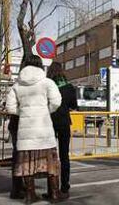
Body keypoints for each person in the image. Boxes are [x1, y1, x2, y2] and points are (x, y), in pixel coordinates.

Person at [5, 55, 62, 204]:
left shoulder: (17, 85)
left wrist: (24, 112)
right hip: (44, 130)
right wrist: (45, 110)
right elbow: (56, 102)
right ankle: (55, 194)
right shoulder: (47, 82)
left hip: (26, 131)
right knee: (51, 162)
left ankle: (30, 195)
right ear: (40, 65)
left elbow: (10, 107)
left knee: (26, 163)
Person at [47, 62, 78, 199]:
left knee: (50, 156)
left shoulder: (47, 85)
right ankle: (65, 187)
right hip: (64, 122)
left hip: (49, 123)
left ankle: (51, 189)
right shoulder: (69, 87)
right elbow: (74, 105)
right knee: (64, 156)